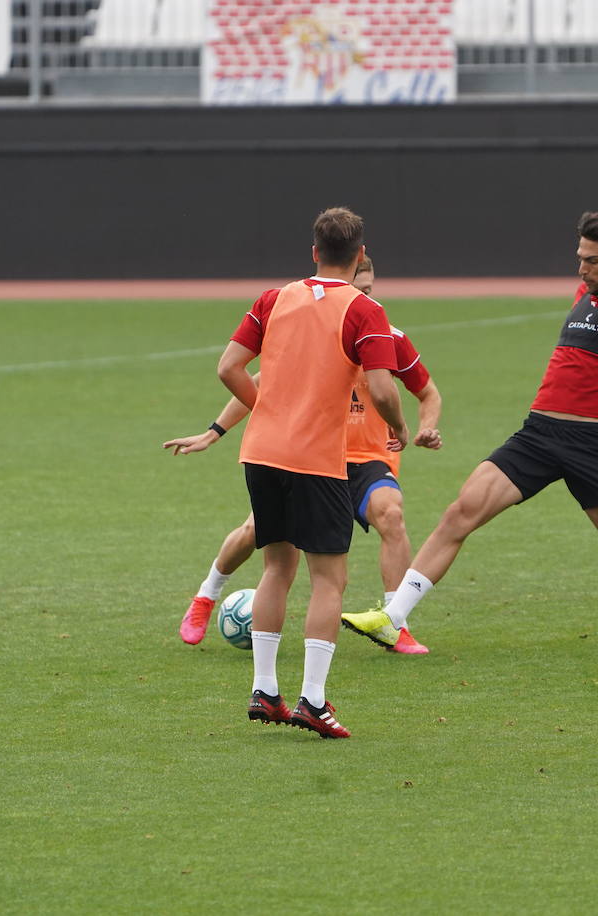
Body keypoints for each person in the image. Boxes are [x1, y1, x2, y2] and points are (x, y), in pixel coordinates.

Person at [341, 180, 598, 651]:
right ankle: (394, 616)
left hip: (590, 447)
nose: (582, 268)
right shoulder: (585, 294)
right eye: (579, 258)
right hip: (537, 435)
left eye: (592, 260)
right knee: (459, 514)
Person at [165, 256, 443, 656]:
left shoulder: (385, 334)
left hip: (365, 459)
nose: (360, 296)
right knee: (255, 534)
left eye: (367, 291)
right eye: (357, 288)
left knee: (392, 515)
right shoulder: (316, 325)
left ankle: (394, 621)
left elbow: (428, 392)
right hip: (311, 453)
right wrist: (214, 432)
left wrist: (426, 427)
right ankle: (206, 596)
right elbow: (261, 384)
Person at [204, 207, 408, 739]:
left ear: (313, 251)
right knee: (329, 579)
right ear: (359, 254)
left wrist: (267, 408)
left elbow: (228, 367)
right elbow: (384, 388)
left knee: (276, 569)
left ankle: (265, 689)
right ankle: (312, 701)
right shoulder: (365, 310)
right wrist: (399, 427)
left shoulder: (273, 299)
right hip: (319, 460)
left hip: (261, 453)